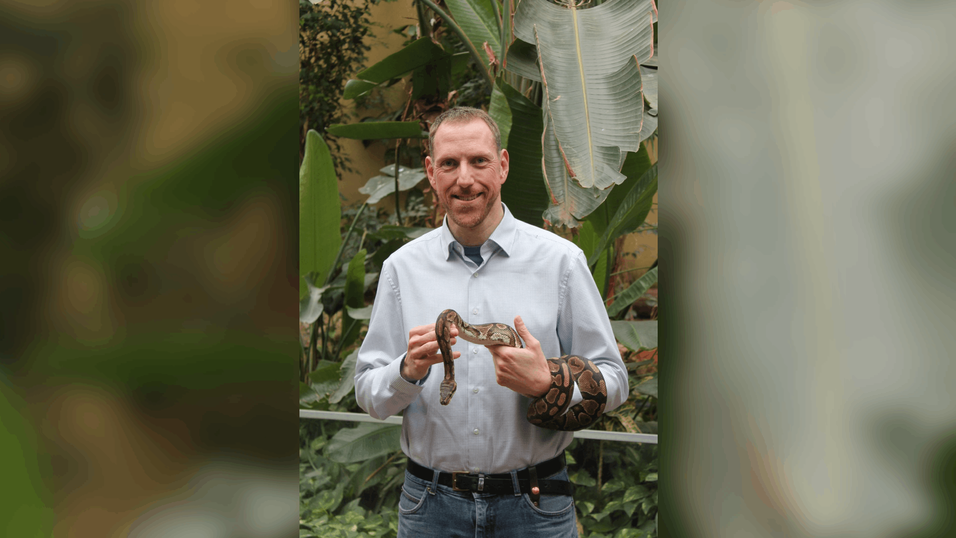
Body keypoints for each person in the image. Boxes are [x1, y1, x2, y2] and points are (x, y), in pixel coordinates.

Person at [354, 107, 628, 537]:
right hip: (431, 509)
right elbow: (369, 395)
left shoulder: (561, 263)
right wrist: (406, 371)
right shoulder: (401, 269)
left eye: (478, 161)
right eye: (449, 163)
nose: (464, 178)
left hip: (535, 505)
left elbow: (615, 380)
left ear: (501, 165)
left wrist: (549, 383)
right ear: (431, 172)